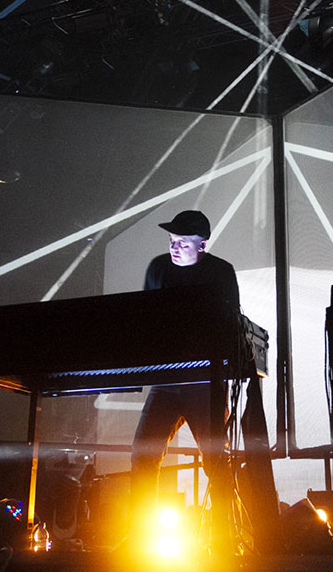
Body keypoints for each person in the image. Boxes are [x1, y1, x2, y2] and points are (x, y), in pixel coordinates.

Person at [129, 210, 239, 553]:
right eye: (171, 241)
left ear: (202, 245)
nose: (174, 247)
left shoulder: (221, 272)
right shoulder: (158, 268)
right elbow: (144, 319)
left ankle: (223, 541)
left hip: (205, 382)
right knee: (143, 453)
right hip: (167, 381)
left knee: (215, 460)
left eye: (182, 242)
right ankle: (141, 540)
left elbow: (231, 323)